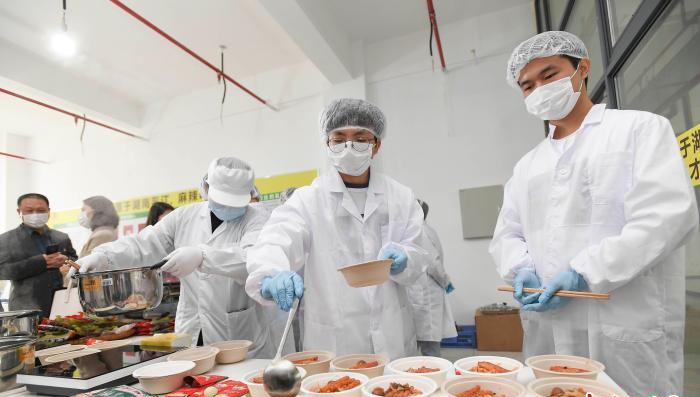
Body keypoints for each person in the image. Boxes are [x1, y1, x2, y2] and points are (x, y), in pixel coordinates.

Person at [489, 31, 698, 397]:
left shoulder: (639, 129)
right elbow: (507, 234)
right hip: (548, 331)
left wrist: (585, 273)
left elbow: (666, 218)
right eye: (527, 85)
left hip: (623, 324)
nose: (538, 89)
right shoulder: (527, 166)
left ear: (581, 69)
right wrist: (519, 267)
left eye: (549, 75)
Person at [246, 98, 428, 359]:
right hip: (334, 340)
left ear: (376, 145)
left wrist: (406, 258)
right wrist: (270, 275)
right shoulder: (308, 199)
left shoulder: (400, 196)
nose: (349, 146)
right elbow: (276, 238)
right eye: (339, 138)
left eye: (360, 137)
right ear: (327, 145)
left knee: (395, 393)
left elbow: (418, 249)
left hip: (392, 335)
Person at [77, 157, 277, 356]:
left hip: (238, 331)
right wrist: (104, 256)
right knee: (192, 380)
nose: (228, 207)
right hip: (192, 328)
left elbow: (252, 259)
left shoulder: (258, 218)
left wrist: (202, 256)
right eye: (222, 199)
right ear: (207, 189)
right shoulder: (184, 217)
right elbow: (143, 243)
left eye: (234, 202)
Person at [0, 193, 77, 314]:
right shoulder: (6, 239)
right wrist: (41, 262)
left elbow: (75, 261)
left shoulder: (61, 237)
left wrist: (66, 260)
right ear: (19, 211)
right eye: (29, 211)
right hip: (26, 307)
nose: (35, 214)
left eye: (41, 210)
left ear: (49, 211)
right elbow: (2, 272)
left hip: (63, 302)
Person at [408, 200, 457, 357]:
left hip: (426, 292)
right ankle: (429, 372)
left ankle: (432, 375)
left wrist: (444, 280)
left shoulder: (418, 230)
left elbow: (432, 263)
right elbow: (434, 263)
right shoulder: (425, 229)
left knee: (427, 340)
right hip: (427, 291)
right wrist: (446, 280)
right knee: (428, 340)